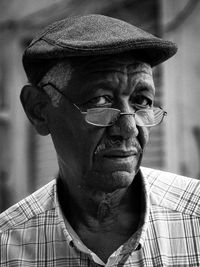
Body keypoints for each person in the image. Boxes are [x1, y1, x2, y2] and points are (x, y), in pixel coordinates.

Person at [0, 14, 200, 267]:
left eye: (142, 101)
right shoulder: (7, 246)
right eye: (100, 100)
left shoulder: (195, 214)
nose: (129, 129)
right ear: (38, 110)